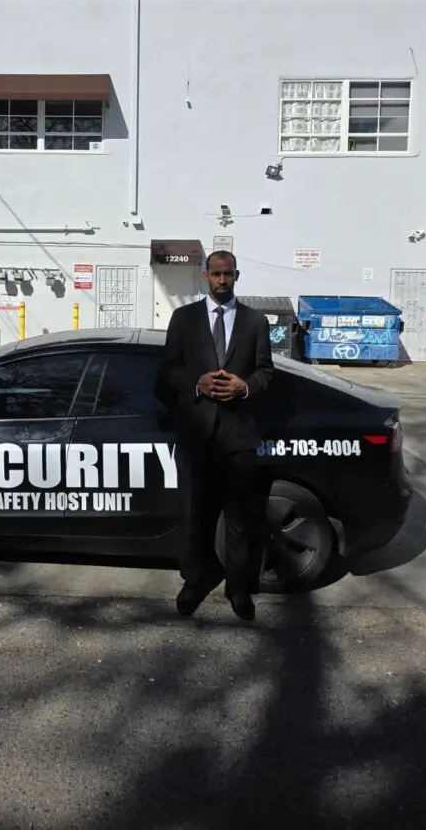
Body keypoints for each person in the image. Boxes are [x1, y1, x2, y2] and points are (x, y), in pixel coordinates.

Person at [154, 250, 274, 621]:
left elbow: (267, 373)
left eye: (229, 274)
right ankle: (194, 581)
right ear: (205, 277)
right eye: (216, 274)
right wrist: (196, 383)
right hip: (195, 436)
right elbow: (167, 373)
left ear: (236, 276)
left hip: (239, 436)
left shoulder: (255, 322)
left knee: (238, 517)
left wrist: (245, 387)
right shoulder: (184, 319)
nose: (223, 280)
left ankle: (238, 587)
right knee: (194, 516)